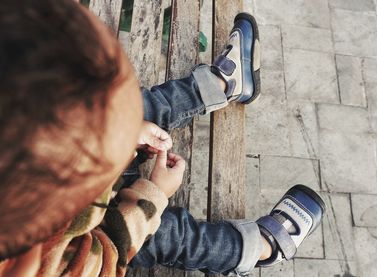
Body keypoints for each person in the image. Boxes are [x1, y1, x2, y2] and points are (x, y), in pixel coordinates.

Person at [0, 1, 325, 276]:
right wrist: (151, 196)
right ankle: (255, 248)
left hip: (66, 184)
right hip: (102, 242)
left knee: (124, 103)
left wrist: (128, 126)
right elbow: (105, 259)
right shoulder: (40, 265)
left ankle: (222, 85)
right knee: (164, 234)